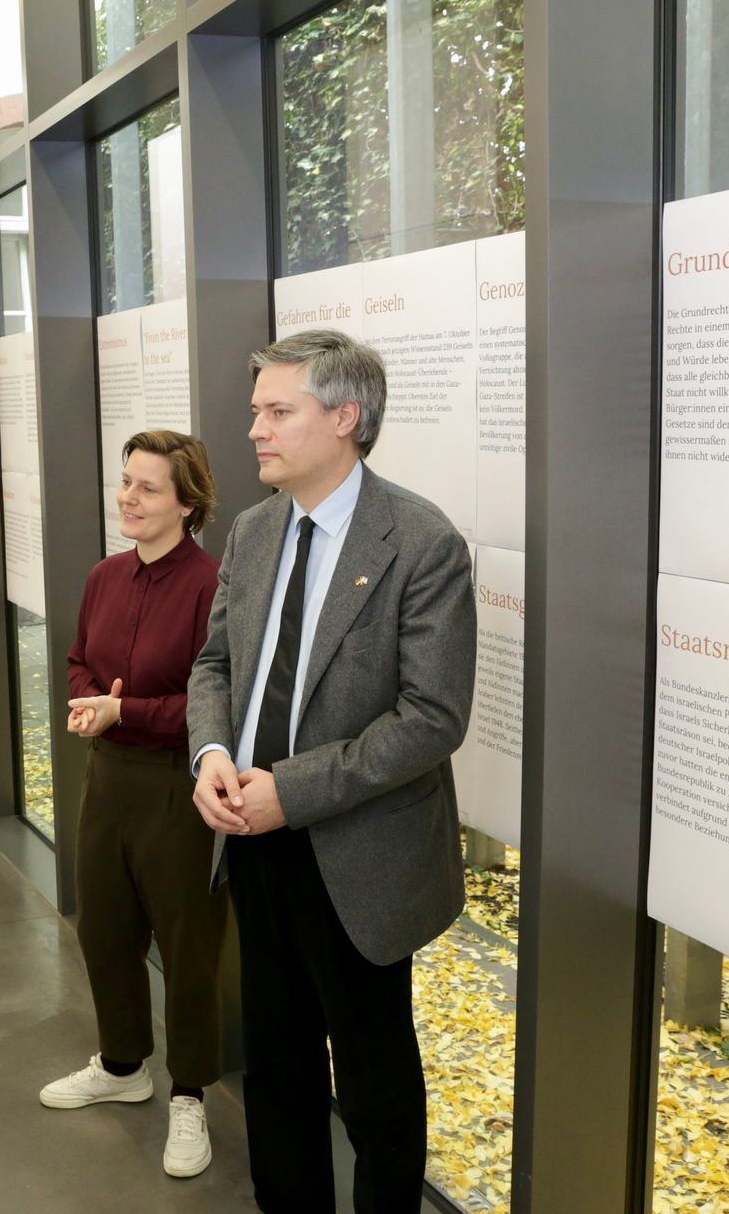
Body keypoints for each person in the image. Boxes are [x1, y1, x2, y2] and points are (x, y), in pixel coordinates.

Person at [188, 330, 475, 1214]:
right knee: (276, 1064)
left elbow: (433, 718)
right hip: (252, 838)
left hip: (360, 854)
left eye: (279, 412)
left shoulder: (421, 542)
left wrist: (294, 790)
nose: (255, 430)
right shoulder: (253, 530)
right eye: (256, 411)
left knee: (375, 1081)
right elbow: (215, 666)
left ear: (345, 418)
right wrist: (211, 756)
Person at [39, 429, 228, 1180]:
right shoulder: (104, 577)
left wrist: (129, 712)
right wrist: (91, 700)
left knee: (187, 946)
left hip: (181, 784)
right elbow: (78, 661)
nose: (129, 498)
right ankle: (122, 1066)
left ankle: (189, 1095)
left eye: (148, 488)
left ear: (187, 503)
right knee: (104, 926)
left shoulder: (212, 585)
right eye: (126, 482)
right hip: (109, 776)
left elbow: (214, 703)